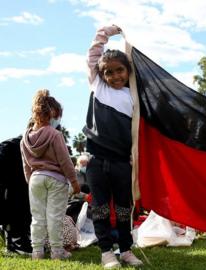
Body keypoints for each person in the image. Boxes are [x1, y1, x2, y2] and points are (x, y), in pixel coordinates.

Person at [83, 25, 143, 268]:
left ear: (128, 71)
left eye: (120, 71)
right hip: (96, 161)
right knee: (99, 208)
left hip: (121, 163)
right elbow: (93, 57)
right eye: (109, 72)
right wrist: (104, 34)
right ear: (101, 75)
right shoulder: (98, 87)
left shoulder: (134, 96)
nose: (115, 76)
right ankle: (106, 252)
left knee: (122, 209)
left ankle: (126, 249)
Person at [20, 89, 81, 260]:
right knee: (55, 216)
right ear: (53, 114)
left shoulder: (24, 139)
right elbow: (65, 161)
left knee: (37, 216)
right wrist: (74, 181)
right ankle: (57, 251)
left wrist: (30, 181)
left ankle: (37, 251)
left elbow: (26, 165)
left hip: (35, 179)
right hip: (56, 179)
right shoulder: (55, 135)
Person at [0, 135, 32, 255]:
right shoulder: (16, 145)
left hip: (15, 173)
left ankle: (14, 241)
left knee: (14, 201)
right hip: (13, 168)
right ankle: (15, 242)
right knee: (15, 201)